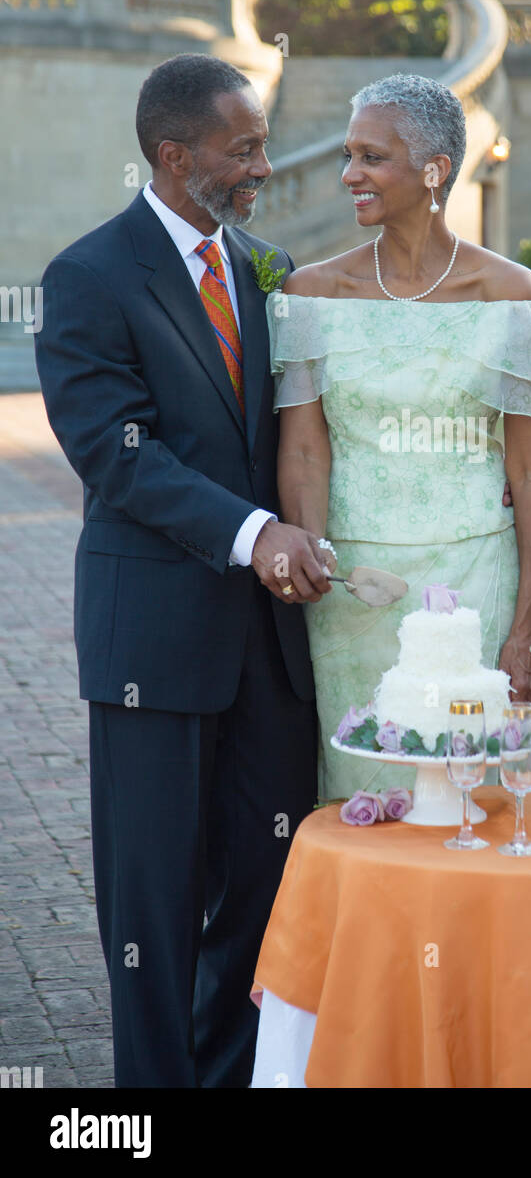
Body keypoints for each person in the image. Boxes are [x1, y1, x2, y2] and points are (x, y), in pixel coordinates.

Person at [34, 53, 333, 1088]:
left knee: (266, 882)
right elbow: (114, 452)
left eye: (258, 143)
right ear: (173, 156)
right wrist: (257, 535)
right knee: (151, 908)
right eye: (240, 148)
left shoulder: (270, 265)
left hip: (270, 653)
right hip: (150, 650)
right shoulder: (86, 276)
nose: (260, 164)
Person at [266, 72, 531, 801]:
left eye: (371, 157)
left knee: (471, 793)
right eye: (348, 155)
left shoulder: (511, 296)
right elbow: (306, 451)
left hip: (473, 586)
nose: (349, 175)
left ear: (433, 171)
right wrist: (317, 559)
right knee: (359, 789)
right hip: (351, 593)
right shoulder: (310, 296)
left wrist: (526, 627)